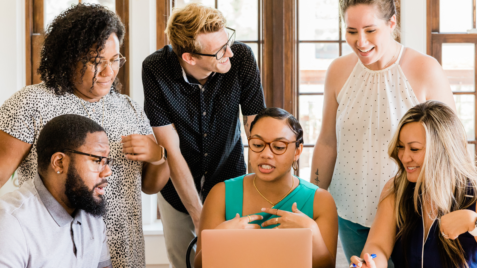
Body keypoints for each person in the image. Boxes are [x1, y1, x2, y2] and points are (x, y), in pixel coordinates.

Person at [0, 4, 169, 267]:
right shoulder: (30, 103)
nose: (108, 72)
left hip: (125, 248)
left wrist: (158, 156)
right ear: (69, 57)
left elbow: (150, 186)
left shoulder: (129, 109)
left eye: (115, 60)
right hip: (58, 250)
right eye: (96, 61)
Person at [309, 0, 456, 263]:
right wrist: (313, 200)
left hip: (411, 212)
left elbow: (450, 145)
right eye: (351, 31)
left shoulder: (425, 69)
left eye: (370, 30)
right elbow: (328, 143)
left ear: (391, 23)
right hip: (350, 212)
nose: (360, 42)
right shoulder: (338, 71)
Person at [142, 3, 265, 266]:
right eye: (219, 51)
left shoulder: (241, 57)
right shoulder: (155, 69)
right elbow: (169, 149)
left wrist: (260, 192)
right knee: (184, 260)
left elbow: (256, 132)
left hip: (229, 176)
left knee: (234, 260)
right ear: (189, 57)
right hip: (176, 188)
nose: (229, 53)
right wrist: (200, 219)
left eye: (227, 42)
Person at [194, 108, 338, 268]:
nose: (266, 154)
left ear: (298, 151)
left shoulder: (321, 201)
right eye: (257, 144)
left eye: (278, 147)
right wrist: (220, 239)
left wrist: (312, 233)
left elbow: (326, 266)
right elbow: (199, 265)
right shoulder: (220, 194)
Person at [350, 101, 477, 268]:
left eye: (414, 149)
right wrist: (372, 263)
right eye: (401, 147)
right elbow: (378, 246)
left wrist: (473, 224)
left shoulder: (473, 192)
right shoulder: (395, 189)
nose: (404, 157)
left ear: (444, 149)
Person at [0, 114, 113, 267]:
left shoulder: (92, 216)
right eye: (97, 160)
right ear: (59, 163)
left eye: (107, 161)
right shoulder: (10, 222)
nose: (107, 172)